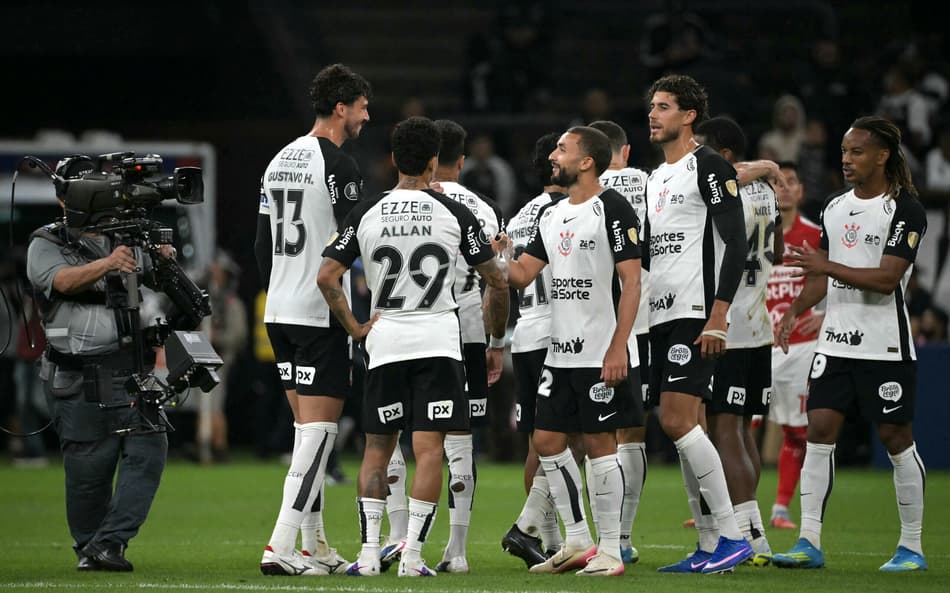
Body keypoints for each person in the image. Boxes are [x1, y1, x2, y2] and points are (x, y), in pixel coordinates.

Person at [318, 115, 508, 577]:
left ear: (391, 161)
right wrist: (495, 333)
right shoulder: (455, 212)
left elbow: (327, 276)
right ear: (433, 162)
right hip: (438, 342)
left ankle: (367, 556)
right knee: (429, 451)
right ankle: (414, 559)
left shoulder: (366, 210)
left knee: (377, 449)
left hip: (385, 341)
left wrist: (355, 326)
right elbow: (497, 282)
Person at [772, 116, 929, 572]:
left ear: (882, 156)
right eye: (844, 152)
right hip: (835, 344)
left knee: (895, 437)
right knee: (818, 430)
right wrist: (796, 310)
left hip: (885, 346)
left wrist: (826, 265)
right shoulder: (835, 207)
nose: (847, 159)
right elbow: (824, 274)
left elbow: (885, 279)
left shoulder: (905, 209)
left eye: (857, 152)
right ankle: (808, 541)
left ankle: (912, 546)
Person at [499, 125, 644, 577]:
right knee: (546, 440)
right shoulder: (553, 213)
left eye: (562, 149)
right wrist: (499, 257)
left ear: (586, 161)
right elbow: (523, 275)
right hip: (559, 353)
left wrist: (619, 346)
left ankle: (611, 551)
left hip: (601, 351)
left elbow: (633, 282)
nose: (553, 156)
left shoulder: (614, 209)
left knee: (600, 444)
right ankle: (578, 538)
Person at [26, 156, 176, 571]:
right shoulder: (47, 242)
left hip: (129, 368)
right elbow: (59, 281)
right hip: (77, 374)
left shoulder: (124, 235)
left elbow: (156, 279)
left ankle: (110, 543)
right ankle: (90, 546)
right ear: (64, 199)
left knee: (149, 448)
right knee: (90, 471)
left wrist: (163, 258)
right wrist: (108, 264)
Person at [377, 119, 508, 574]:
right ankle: (457, 549)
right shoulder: (484, 210)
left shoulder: (397, 204)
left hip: (402, 329)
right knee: (457, 443)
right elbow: (497, 281)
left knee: (389, 434)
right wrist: (497, 342)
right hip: (466, 336)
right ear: (461, 160)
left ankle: (397, 536)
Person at [255, 63, 371, 576]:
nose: (367, 117)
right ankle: (279, 546)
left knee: (308, 435)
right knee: (320, 434)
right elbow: (353, 238)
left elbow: (262, 245)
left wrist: (281, 285)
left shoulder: (278, 160)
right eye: (364, 108)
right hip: (318, 314)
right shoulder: (338, 165)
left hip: (277, 309)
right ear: (342, 106)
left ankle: (315, 546)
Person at [643, 74, 752, 574]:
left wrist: (719, 313)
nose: (653, 113)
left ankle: (733, 536)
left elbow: (736, 241)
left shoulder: (707, 165)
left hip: (694, 311)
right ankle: (709, 545)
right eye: (652, 106)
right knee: (690, 424)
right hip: (662, 314)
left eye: (663, 106)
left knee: (675, 420)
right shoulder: (654, 178)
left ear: (688, 117)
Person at [694, 115, 785, 563]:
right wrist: (765, 168)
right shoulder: (767, 192)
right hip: (759, 319)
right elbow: (780, 251)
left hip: (727, 323)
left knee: (724, 428)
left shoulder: (726, 187)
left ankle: (751, 539)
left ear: (724, 156)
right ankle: (756, 530)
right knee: (743, 427)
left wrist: (761, 163)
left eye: (704, 151)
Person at [500, 132, 570, 568]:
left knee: (538, 442)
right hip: (559, 333)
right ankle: (536, 531)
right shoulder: (569, 212)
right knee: (571, 440)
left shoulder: (521, 216)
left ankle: (542, 538)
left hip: (524, 332)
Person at [588, 119, 650, 565]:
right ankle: (622, 536)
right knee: (631, 430)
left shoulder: (584, 194)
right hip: (644, 320)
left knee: (591, 432)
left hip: (591, 324)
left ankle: (580, 534)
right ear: (625, 152)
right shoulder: (651, 183)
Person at [765, 161, 823, 530]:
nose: (784, 188)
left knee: (796, 430)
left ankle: (781, 508)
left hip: (801, 346)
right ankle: (726, 508)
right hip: (758, 342)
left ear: (800, 191)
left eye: (791, 182)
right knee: (737, 425)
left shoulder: (816, 234)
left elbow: (838, 277)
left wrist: (827, 314)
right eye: (777, 183)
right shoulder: (756, 233)